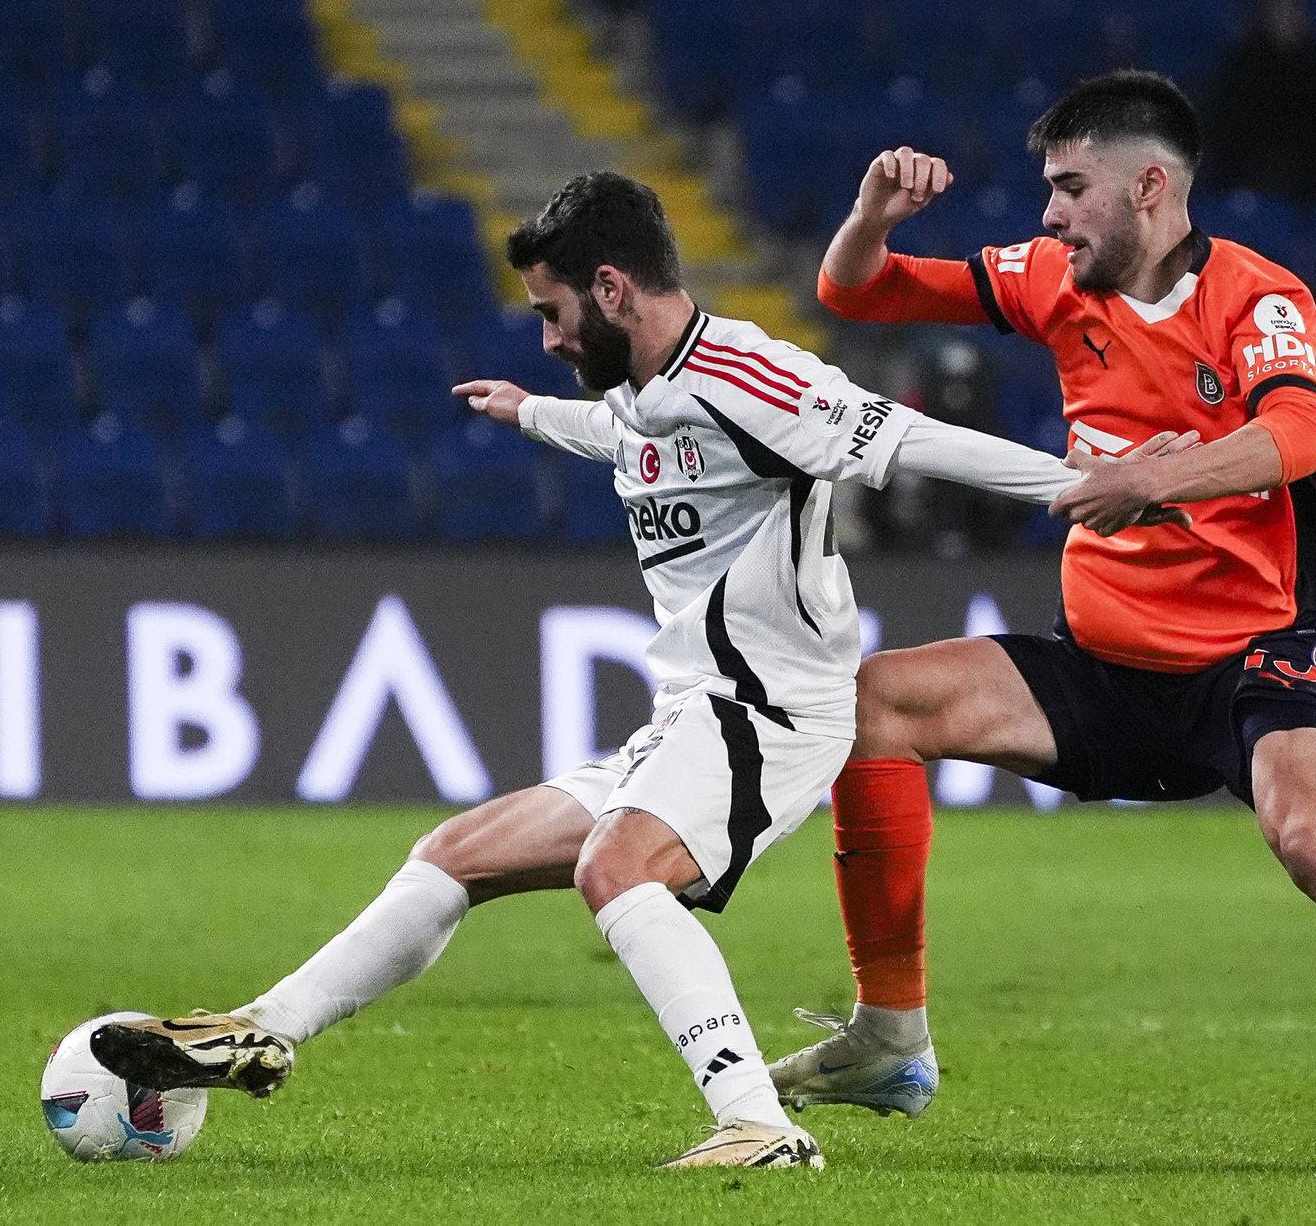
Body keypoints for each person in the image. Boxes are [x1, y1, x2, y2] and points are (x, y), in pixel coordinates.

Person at [88, 171, 1153, 1171]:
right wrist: (528, 412)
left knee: (617, 867)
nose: (550, 338)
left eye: (554, 315)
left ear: (612, 287)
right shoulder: (646, 386)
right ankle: (261, 1031)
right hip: (692, 710)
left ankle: (756, 1126)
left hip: (773, 710)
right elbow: (620, 432)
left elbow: (910, 437)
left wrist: (1088, 484)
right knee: (455, 854)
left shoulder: (754, 377)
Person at [771, 71, 1316, 1167]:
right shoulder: (1052, 280)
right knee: (873, 703)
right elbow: (857, 293)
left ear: (1147, 186)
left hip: (1266, 651)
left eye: (1069, 189)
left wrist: (1157, 482)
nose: (1048, 216)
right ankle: (889, 1037)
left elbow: (1297, 439)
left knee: (1312, 838)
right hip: (1108, 665)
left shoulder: (1257, 299)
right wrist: (872, 213)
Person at [1198, 0, 1316, 208]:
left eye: (1293, 13)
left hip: (1307, 173)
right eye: (1280, 12)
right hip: (1250, 167)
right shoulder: (1244, 65)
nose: (1286, 20)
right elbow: (1229, 122)